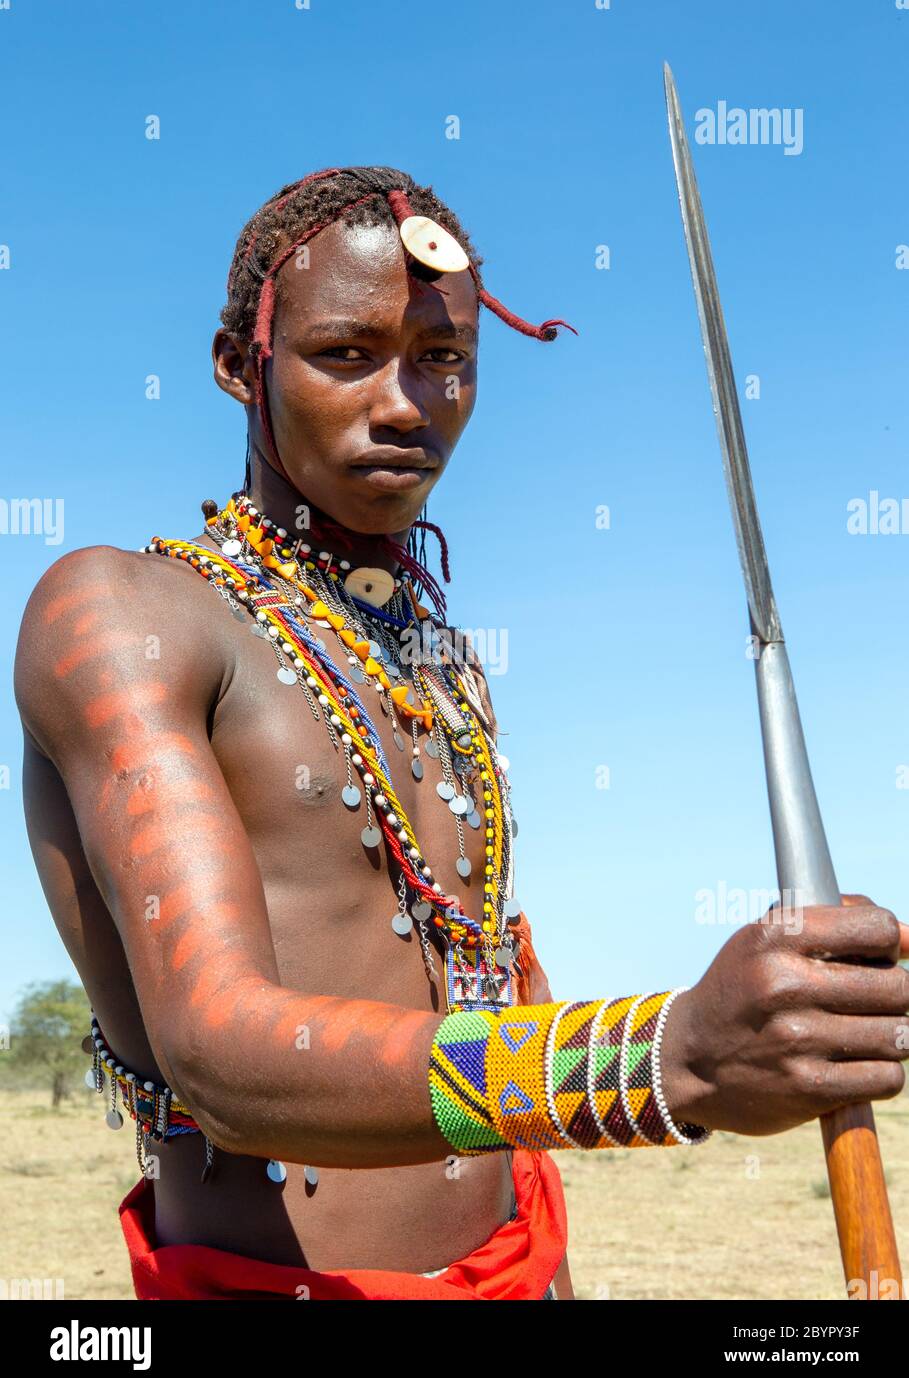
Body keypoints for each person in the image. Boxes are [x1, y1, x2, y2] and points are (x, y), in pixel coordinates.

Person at [14, 166, 909, 1301]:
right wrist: (667, 1057)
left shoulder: (437, 663)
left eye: (444, 361)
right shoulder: (118, 616)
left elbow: (494, 1002)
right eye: (347, 354)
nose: (405, 403)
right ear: (241, 365)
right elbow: (225, 1056)